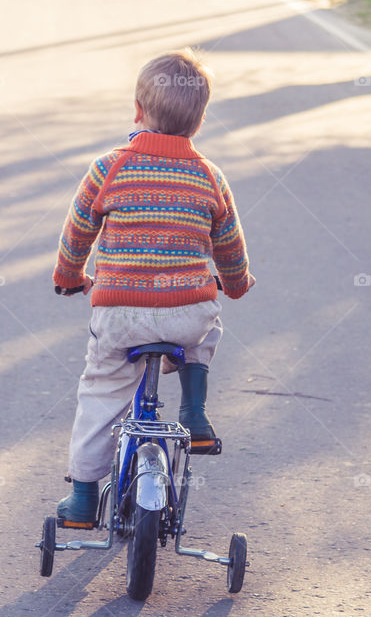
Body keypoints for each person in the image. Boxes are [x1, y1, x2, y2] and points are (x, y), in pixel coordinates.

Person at [52, 48, 255, 526]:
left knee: (100, 393)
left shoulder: (109, 168)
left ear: (138, 111)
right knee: (208, 331)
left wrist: (69, 277)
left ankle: (83, 499)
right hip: (187, 309)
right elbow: (230, 246)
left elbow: (78, 232)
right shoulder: (210, 175)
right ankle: (194, 413)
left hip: (120, 311)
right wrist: (236, 284)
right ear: (199, 120)